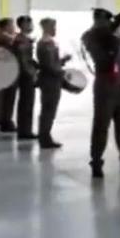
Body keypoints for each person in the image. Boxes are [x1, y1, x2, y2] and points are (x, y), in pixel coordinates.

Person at [81, 9, 120, 178]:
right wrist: (117, 38)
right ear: (98, 20)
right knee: (101, 126)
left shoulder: (111, 37)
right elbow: (105, 57)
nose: (107, 24)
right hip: (105, 85)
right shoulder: (90, 36)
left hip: (119, 84)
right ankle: (96, 163)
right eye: (104, 20)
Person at [36, 18, 69, 149]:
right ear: (47, 27)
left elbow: (51, 63)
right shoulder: (46, 43)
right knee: (49, 109)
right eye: (53, 26)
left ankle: (45, 135)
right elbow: (49, 65)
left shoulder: (47, 42)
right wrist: (62, 73)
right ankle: (44, 137)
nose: (55, 29)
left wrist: (62, 61)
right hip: (50, 80)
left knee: (48, 109)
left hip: (50, 79)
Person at [0, 17, 18, 132]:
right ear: (6, 26)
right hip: (5, 69)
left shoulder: (1, 35)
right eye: (11, 25)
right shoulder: (3, 36)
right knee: (7, 96)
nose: (13, 28)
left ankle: (2, 118)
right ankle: (6, 121)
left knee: (4, 96)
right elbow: (15, 42)